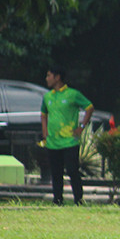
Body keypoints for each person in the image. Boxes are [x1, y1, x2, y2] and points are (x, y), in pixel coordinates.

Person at [41, 66, 94, 206]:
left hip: (70, 141)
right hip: (53, 141)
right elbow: (43, 114)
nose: (47, 79)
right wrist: (45, 132)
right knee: (56, 172)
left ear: (57, 77)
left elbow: (89, 107)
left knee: (72, 171)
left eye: (49, 75)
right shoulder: (47, 96)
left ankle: (79, 200)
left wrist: (81, 127)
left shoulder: (73, 94)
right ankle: (57, 200)